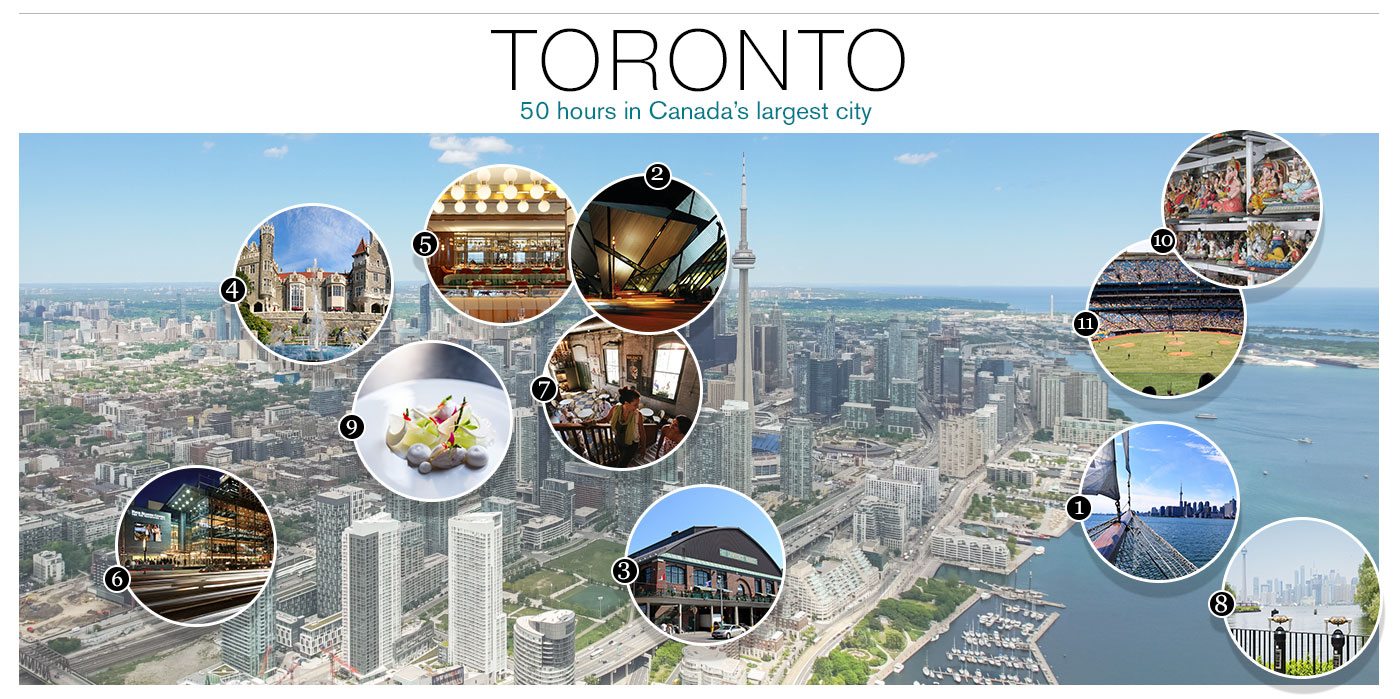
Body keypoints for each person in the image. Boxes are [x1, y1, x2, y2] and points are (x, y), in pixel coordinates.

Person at [607, 387, 644, 467]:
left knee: (621, 465)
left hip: (632, 445)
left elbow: (642, 432)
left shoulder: (638, 415)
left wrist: (643, 448)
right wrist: (593, 422)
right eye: (635, 405)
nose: (637, 407)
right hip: (619, 440)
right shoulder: (615, 409)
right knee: (622, 457)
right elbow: (606, 419)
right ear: (626, 403)